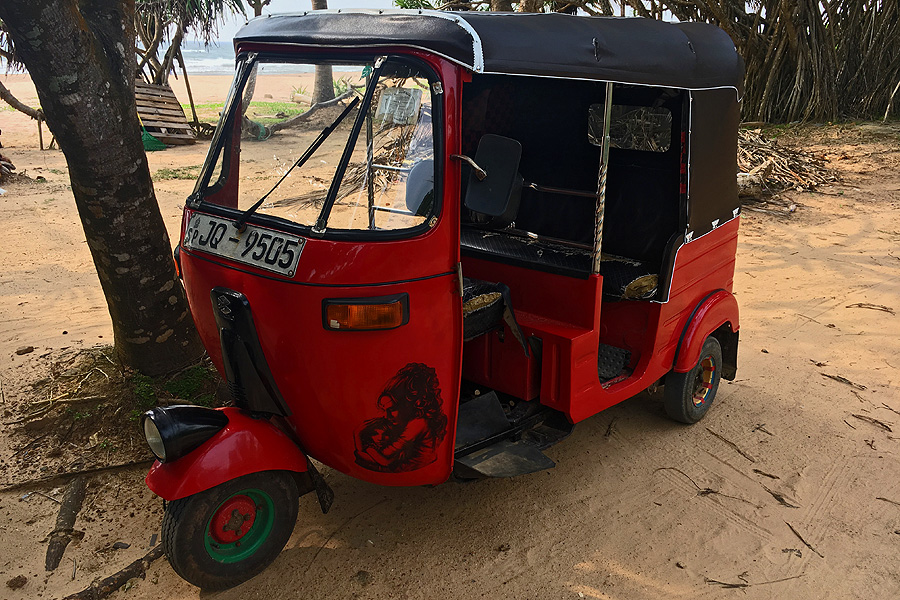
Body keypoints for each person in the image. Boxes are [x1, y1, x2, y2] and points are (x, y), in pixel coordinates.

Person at [354, 363, 448, 473]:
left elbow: (384, 460)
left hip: (416, 468)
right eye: (384, 410)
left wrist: (358, 435)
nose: (386, 415)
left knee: (364, 463)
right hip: (407, 466)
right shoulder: (408, 420)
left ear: (406, 405)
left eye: (391, 409)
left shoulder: (417, 423)